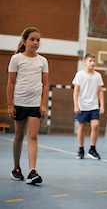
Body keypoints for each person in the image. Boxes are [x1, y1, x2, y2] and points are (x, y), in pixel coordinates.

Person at [7, 27, 49, 184]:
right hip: (19, 103)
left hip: (34, 105)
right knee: (19, 135)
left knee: (33, 136)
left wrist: (43, 104)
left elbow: (45, 85)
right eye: (32, 39)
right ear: (24, 41)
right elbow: (10, 83)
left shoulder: (43, 61)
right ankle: (16, 168)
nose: (36, 42)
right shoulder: (16, 59)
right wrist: (10, 105)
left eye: (38, 40)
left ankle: (32, 171)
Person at [72, 53, 105, 160]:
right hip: (82, 106)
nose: (92, 63)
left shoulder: (98, 76)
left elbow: (100, 91)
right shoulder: (79, 75)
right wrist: (76, 105)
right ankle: (81, 149)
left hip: (94, 105)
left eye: (94, 61)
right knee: (81, 127)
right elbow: (76, 91)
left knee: (95, 125)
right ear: (85, 62)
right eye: (90, 61)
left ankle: (92, 149)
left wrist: (102, 105)